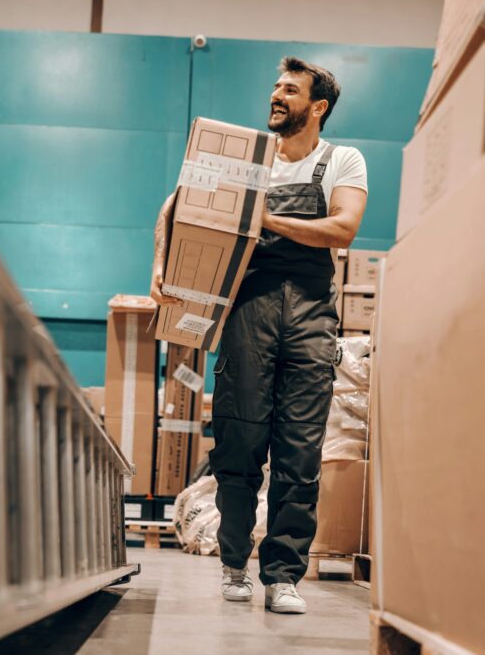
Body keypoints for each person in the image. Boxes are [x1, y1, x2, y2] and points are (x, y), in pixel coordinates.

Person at [150, 57, 367, 614]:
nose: (276, 96)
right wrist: (161, 267)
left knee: (299, 453)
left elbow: (342, 228)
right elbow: (176, 209)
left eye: (289, 90)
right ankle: (233, 565)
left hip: (312, 315)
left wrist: (264, 218)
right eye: (275, 86)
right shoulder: (248, 161)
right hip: (249, 311)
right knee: (240, 443)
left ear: (316, 107)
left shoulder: (340, 160)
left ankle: (283, 577)